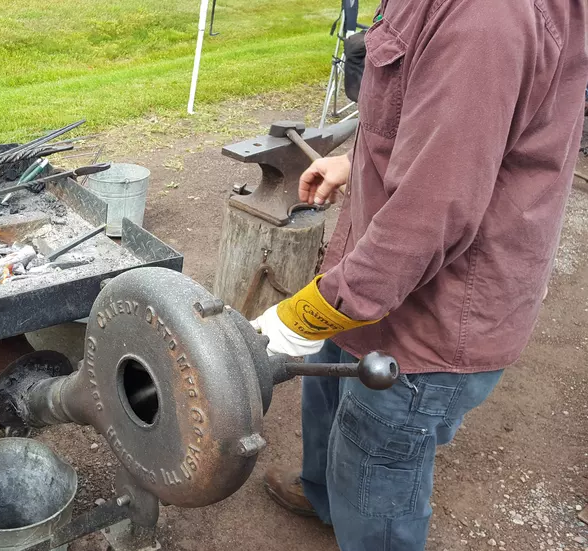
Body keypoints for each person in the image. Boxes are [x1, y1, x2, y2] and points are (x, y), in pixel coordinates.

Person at [251, 0, 588, 549]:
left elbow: (433, 215)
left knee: (376, 463)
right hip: (374, 277)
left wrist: (296, 318)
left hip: (434, 307)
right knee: (328, 390)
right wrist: (359, 159)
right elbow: (422, 98)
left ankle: (360, 520)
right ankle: (324, 497)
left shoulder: (487, 17)